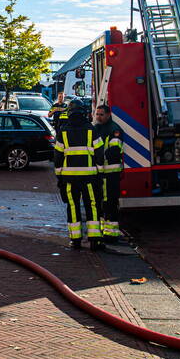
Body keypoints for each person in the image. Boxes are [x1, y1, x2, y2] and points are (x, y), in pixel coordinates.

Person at [53, 99, 105, 251]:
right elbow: (100, 153)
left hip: (69, 178)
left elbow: (57, 156)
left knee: (73, 206)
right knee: (92, 206)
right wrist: (99, 172)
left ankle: (75, 240)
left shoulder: (63, 131)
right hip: (90, 177)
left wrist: (59, 176)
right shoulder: (91, 130)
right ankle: (94, 239)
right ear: (84, 112)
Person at [93, 104, 124, 243]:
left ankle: (112, 234)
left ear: (108, 114)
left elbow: (114, 151)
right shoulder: (97, 128)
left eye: (101, 114)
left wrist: (98, 157)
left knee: (110, 203)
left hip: (111, 173)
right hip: (101, 173)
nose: (98, 117)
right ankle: (103, 231)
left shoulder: (114, 129)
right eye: (97, 114)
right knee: (101, 203)